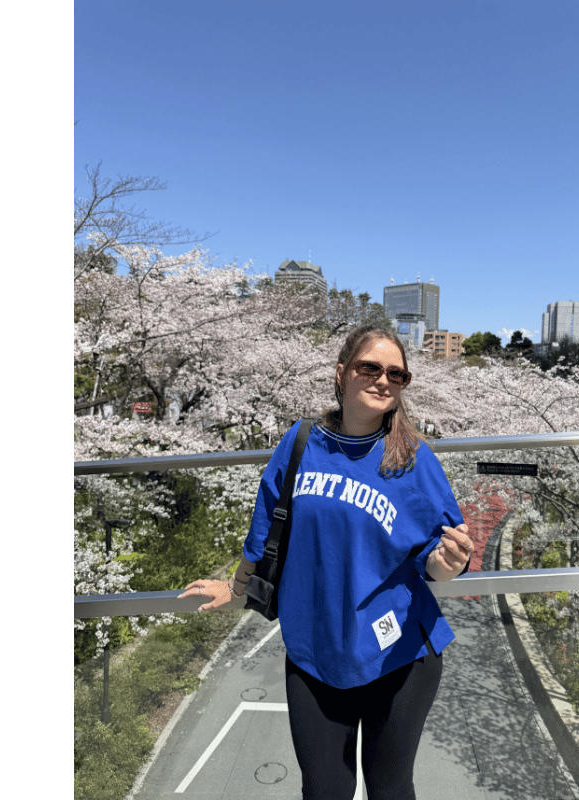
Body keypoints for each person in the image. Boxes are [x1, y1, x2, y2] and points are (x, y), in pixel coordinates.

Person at [183, 324, 474, 800]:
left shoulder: (413, 460)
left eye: (397, 375)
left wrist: (450, 562)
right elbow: (264, 534)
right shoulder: (300, 443)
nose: (384, 380)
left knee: (390, 789)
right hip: (315, 649)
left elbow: (437, 562)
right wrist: (235, 588)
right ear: (342, 374)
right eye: (370, 368)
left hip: (399, 651)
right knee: (323, 790)